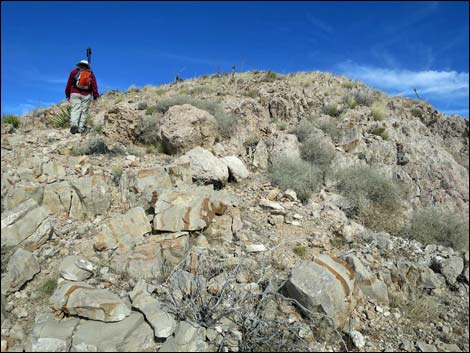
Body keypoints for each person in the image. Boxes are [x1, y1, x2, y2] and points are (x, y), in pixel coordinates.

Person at [65, 60, 99, 134]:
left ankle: (74, 125)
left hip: (75, 93)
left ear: (79, 65)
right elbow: (94, 85)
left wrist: (67, 94)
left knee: (75, 109)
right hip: (87, 94)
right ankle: (81, 128)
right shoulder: (91, 73)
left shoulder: (74, 72)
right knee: (84, 111)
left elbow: (69, 83)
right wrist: (95, 96)